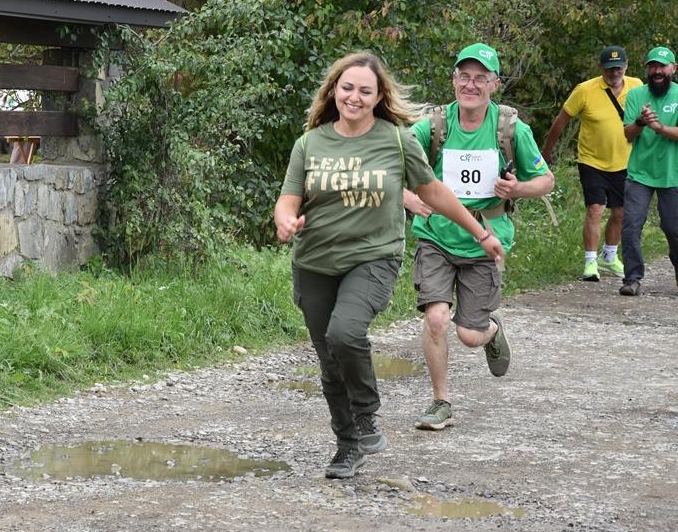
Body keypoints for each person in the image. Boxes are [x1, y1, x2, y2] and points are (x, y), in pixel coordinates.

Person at [275, 52, 504, 480]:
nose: (354, 97)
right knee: (329, 360)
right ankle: (347, 446)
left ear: (379, 97)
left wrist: (481, 232)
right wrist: (286, 220)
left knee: (345, 333)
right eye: (347, 88)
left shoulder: (397, 140)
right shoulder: (310, 143)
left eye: (365, 90)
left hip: (373, 257)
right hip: (314, 262)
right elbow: (289, 196)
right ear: (334, 91)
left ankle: (366, 415)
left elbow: (432, 192)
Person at [402, 43, 554, 431]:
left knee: (469, 334)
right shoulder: (433, 126)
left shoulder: (509, 129)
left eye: (480, 78)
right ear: (454, 80)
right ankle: (440, 402)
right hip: (436, 237)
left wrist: (516, 189)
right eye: (464, 77)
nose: (471, 85)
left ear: (493, 84)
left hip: (487, 238)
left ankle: (491, 330)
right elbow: (390, 162)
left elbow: (546, 180)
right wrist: (408, 198)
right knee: (436, 317)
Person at [541, 46, 642, 281]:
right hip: (592, 160)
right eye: (609, 69)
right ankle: (590, 261)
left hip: (626, 160)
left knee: (620, 212)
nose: (614, 73)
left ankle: (609, 255)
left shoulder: (637, 86)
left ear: (626, 67)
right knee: (595, 209)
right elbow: (561, 120)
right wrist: (546, 152)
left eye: (618, 68)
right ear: (600, 68)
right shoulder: (585, 90)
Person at [618, 46, 678, 296]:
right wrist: (641, 122)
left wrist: (659, 127)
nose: (656, 71)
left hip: (672, 174)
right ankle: (632, 278)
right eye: (652, 66)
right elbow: (627, 134)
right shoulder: (636, 95)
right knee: (631, 225)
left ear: (673, 69)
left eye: (662, 66)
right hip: (639, 173)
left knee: (674, 229)